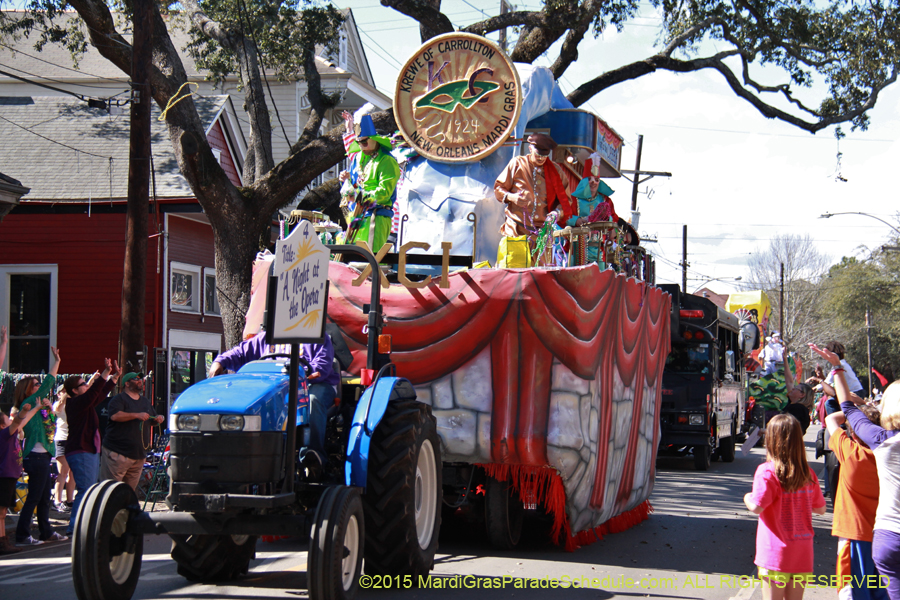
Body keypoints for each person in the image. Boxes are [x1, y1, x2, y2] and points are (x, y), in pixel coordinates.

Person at [811, 343, 900, 600]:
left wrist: (837, 368)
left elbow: (843, 412)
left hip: (873, 534)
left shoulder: (869, 447)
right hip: (877, 534)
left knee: (857, 591)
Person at [208, 331, 338, 467]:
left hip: (315, 384)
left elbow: (322, 365)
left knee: (312, 400)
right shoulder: (266, 337)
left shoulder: (317, 335)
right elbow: (240, 352)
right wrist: (219, 361)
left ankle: (312, 457)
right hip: (278, 388)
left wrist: (298, 373)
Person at [744, 413, 827, 600]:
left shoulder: (767, 472)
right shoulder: (808, 474)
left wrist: (747, 497)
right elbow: (821, 509)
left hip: (775, 553)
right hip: (802, 551)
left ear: (771, 441)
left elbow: (757, 507)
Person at [825, 408, 887, 600]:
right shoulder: (891, 456)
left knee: (853, 592)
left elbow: (831, 418)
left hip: (854, 534)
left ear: (853, 433)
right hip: (887, 535)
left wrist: (855, 408)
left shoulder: (851, 452)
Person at [11, 347, 64, 545]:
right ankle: (22, 535)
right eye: (36, 385)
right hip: (34, 455)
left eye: (39, 384)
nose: (40, 386)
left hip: (44, 455)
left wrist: (49, 409)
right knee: (35, 497)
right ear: (27, 389)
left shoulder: (39, 406)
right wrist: (57, 362)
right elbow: (49, 382)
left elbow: (51, 427)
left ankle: (46, 531)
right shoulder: (29, 402)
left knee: (43, 497)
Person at [63, 359, 120, 538]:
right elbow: (94, 392)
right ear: (74, 390)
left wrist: (114, 378)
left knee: (90, 489)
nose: (86, 386)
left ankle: (84, 524)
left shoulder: (85, 404)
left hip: (89, 450)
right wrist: (105, 373)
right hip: (81, 450)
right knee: (86, 489)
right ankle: (75, 526)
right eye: (83, 384)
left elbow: (99, 395)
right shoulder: (75, 403)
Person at [494, 133, 575, 252]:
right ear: (530, 148)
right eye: (538, 154)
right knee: (514, 263)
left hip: (542, 234)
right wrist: (512, 197)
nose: (541, 158)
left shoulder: (556, 171)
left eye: (544, 156)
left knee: (543, 264)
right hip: (516, 230)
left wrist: (556, 213)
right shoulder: (517, 163)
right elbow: (498, 188)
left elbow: (566, 202)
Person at [338, 114, 400, 250]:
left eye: (364, 142)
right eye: (358, 143)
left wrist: (359, 197)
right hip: (356, 217)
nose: (361, 146)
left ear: (374, 139)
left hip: (377, 216)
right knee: (353, 257)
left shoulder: (387, 160)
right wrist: (346, 180)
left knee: (373, 257)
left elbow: (384, 193)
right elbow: (354, 187)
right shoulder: (358, 158)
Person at [99, 373, 163, 490]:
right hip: (118, 454)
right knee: (110, 490)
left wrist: (158, 419)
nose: (140, 381)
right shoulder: (118, 399)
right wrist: (136, 415)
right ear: (127, 384)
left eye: (140, 379)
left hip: (138, 456)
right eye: (135, 379)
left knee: (129, 492)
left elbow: (151, 420)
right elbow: (115, 416)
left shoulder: (145, 401)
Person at [0, 398, 47, 554]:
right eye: (7, 419)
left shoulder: (10, 433)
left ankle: (3, 541)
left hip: (10, 476)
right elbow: (18, 421)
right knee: (1, 512)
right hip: (4, 476)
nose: (10, 420)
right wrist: (23, 411)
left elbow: (23, 421)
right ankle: (2, 543)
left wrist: (36, 408)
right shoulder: (5, 434)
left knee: (3, 512)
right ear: (2, 426)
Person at [566, 173, 622, 265]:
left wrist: (610, 225)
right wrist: (576, 220)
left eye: (596, 180)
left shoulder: (606, 200)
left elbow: (614, 220)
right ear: (584, 181)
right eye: (589, 179)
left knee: (600, 273)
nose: (593, 182)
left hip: (599, 249)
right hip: (576, 248)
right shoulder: (573, 199)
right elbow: (564, 216)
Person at [52, 382, 80, 512]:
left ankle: (69, 500)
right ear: (58, 394)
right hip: (62, 439)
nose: (66, 393)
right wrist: (66, 394)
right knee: (62, 472)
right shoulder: (57, 404)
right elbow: (58, 408)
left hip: (73, 439)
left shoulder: (74, 403)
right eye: (63, 391)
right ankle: (57, 501)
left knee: (72, 472)